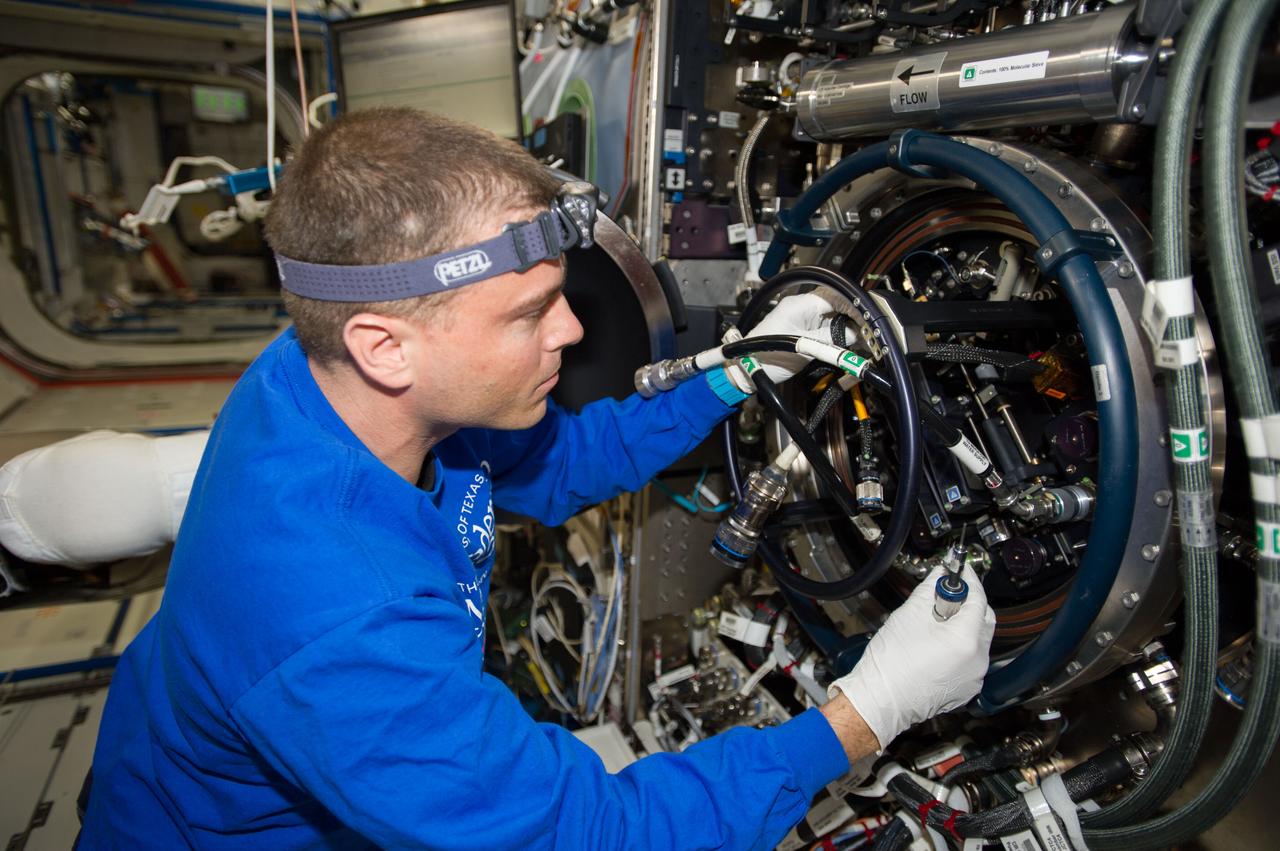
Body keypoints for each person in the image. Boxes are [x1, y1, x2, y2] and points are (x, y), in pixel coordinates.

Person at [80, 108, 995, 850]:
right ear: (386, 346)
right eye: (528, 313)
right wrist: (870, 710)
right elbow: (585, 834)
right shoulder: (341, 612)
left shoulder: (337, 375)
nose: (570, 332)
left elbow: (563, 462)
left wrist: (740, 369)